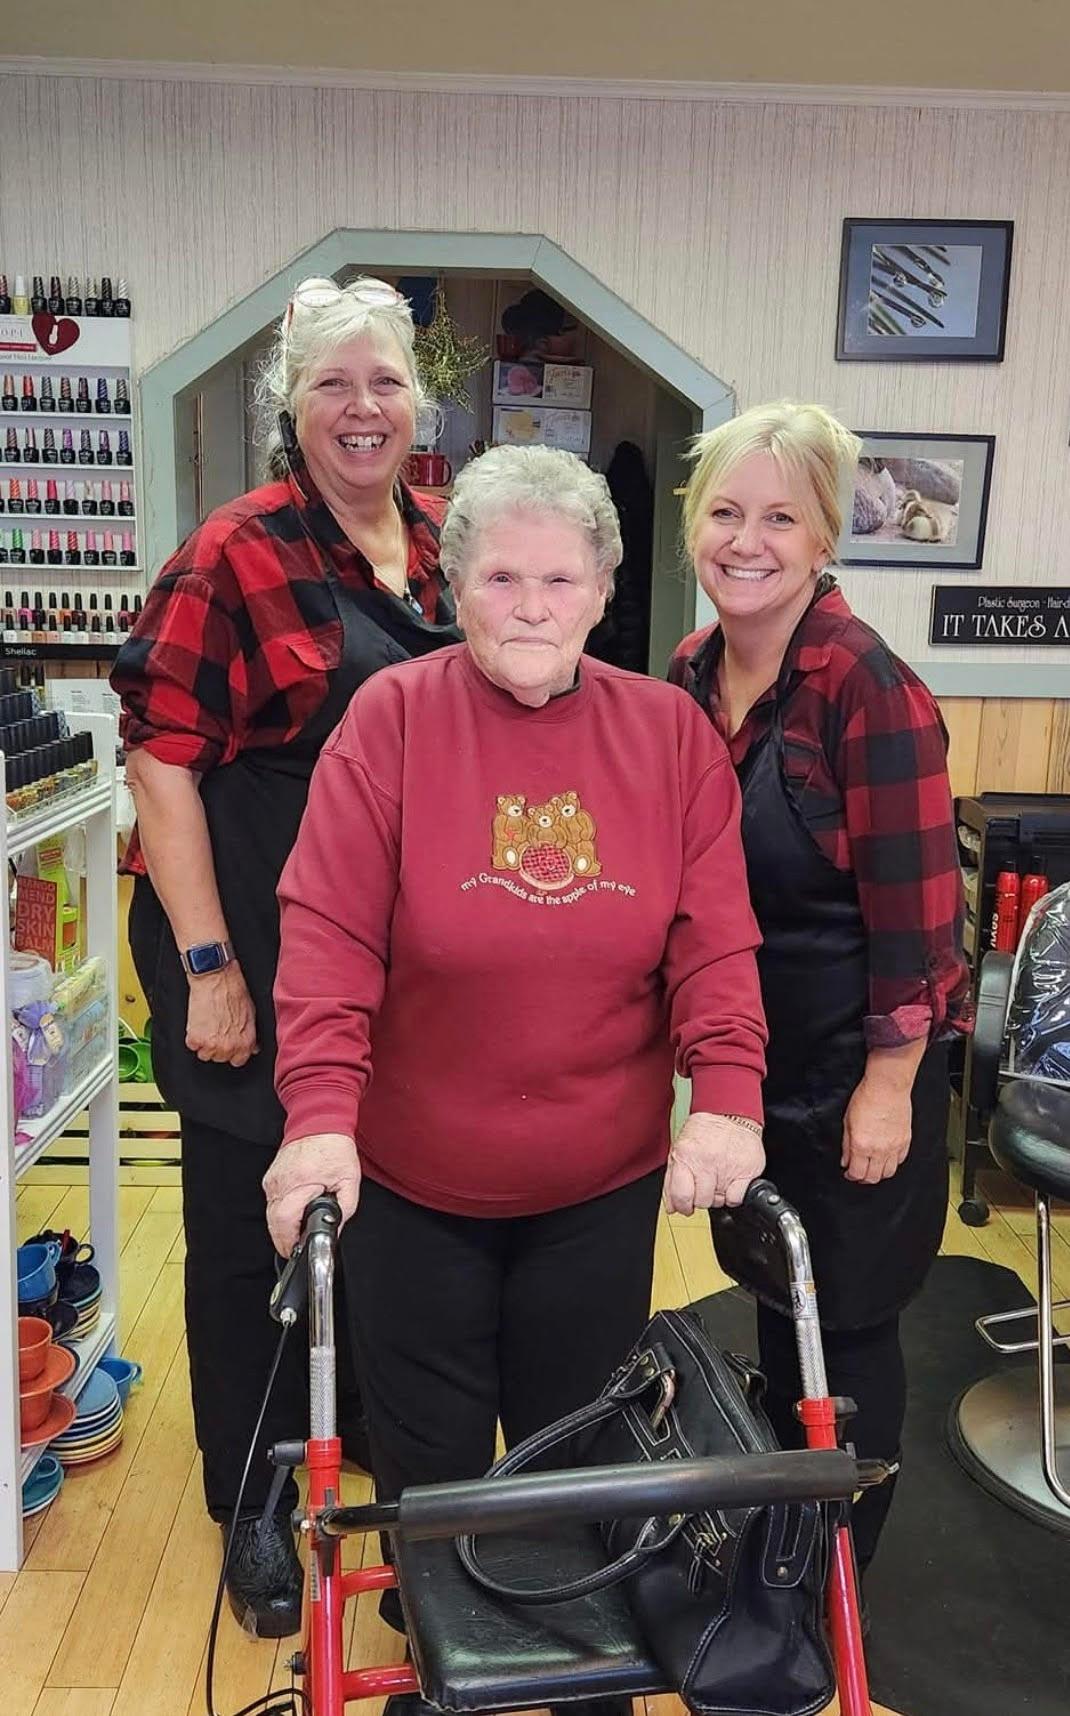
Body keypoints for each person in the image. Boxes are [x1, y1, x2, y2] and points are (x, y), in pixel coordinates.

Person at [262, 444, 769, 1700]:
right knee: (432, 1459)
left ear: (604, 588)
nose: (531, 604)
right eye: (499, 576)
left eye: (559, 576)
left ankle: (570, 1668)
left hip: (596, 1182)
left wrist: (728, 1100)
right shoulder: (391, 720)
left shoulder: (665, 735)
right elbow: (326, 940)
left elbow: (714, 945)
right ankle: (449, 1667)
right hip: (413, 1178)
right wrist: (318, 1120)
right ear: (451, 583)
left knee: (576, 1449)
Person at [111, 277, 461, 1637]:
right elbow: (161, 761)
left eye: (383, 384)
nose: (361, 409)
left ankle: (356, 1418)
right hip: (245, 933)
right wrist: (207, 965)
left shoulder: (438, 538)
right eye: (332, 386)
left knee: (368, 1196)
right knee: (240, 1222)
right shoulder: (235, 551)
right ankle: (250, 1496)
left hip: (379, 953)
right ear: (290, 410)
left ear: (414, 406)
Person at [670, 400, 972, 1575]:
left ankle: (833, 1575)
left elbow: (918, 918)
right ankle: (780, 1533)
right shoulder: (691, 674)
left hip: (857, 1063)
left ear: (824, 538)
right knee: (771, 1297)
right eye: (727, 513)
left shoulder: (865, 687)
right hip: (751, 1059)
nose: (748, 541)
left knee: (844, 1327)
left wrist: (887, 1087)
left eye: (780, 518)